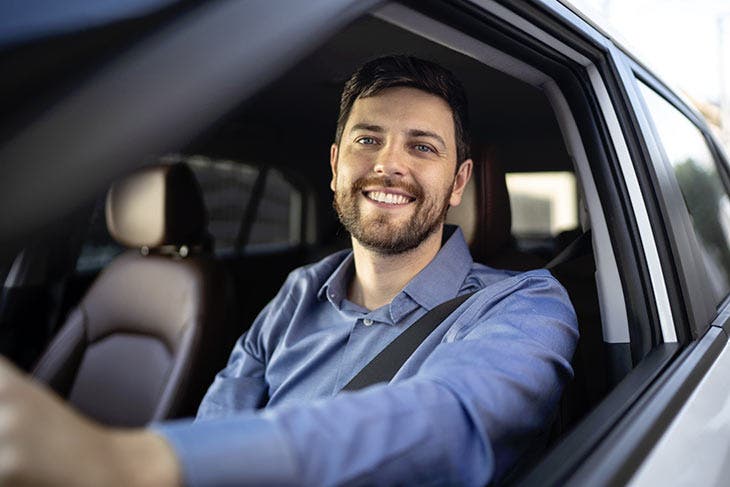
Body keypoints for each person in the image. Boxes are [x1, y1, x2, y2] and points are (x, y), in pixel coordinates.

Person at [0, 55, 578, 486]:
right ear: (335, 166)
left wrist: (130, 461)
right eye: (367, 139)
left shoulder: (526, 304)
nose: (388, 164)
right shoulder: (298, 292)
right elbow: (220, 413)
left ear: (457, 184)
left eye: (422, 148)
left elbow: (452, 421)